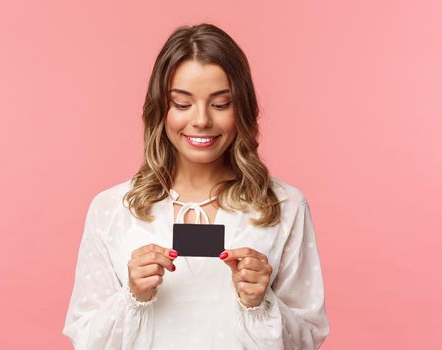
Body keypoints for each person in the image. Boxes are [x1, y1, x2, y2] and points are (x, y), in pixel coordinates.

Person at [61, 23, 330, 349]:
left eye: (220, 104)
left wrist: (259, 303)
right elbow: (87, 340)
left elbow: (308, 339)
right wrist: (133, 296)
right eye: (182, 103)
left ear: (241, 107)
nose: (201, 120)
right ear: (161, 108)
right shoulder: (113, 208)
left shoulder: (284, 206)